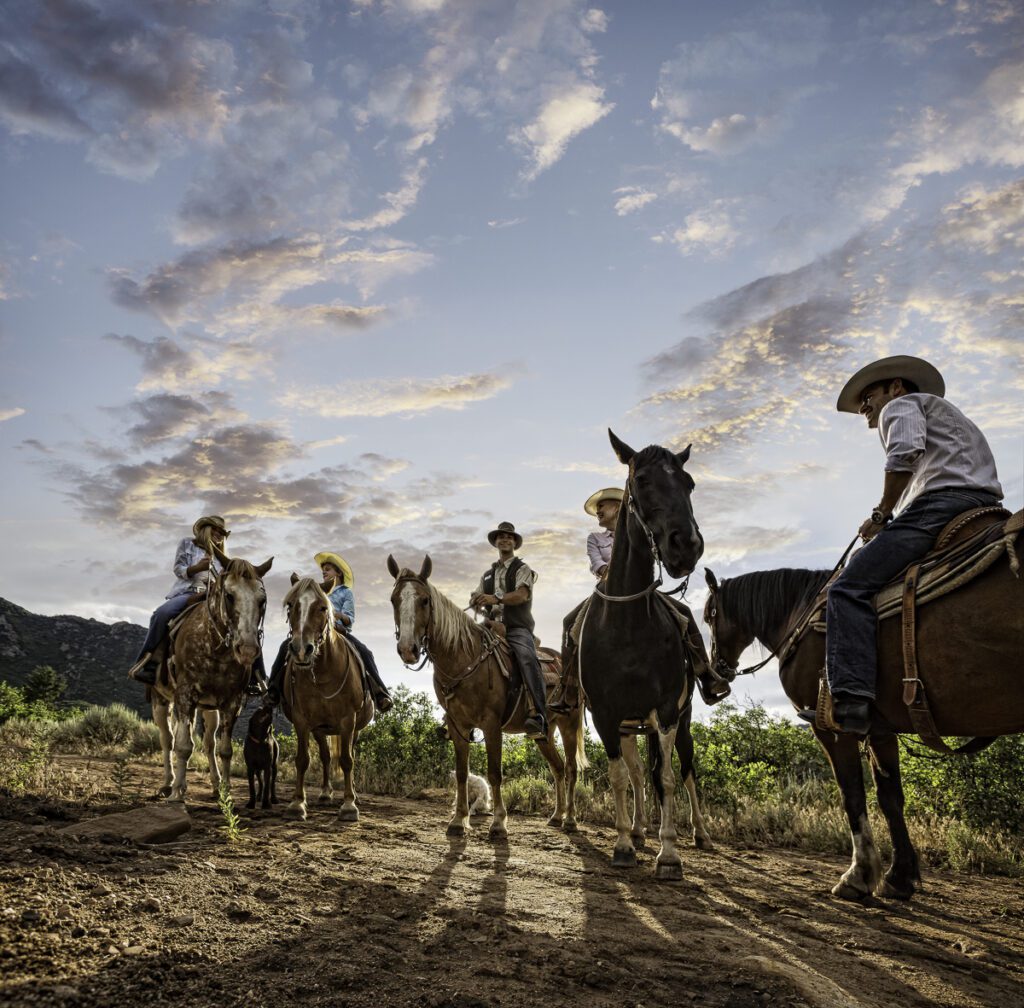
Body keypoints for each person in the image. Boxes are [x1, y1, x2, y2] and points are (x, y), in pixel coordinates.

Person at [816, 355, 1004, 734]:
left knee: (847, 589)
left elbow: (904, 453)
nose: (864, 408)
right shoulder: (951, 417)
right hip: (982, 504)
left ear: (896, 387)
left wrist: (883, 514)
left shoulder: (901, 407)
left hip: (938, 506)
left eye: (868, 396)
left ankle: (851, 700)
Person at [266, 551, 393, 714]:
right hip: (316, 632)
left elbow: (349, 618)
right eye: (323, 570)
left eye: (328, 569)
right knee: (285, 647)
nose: (324, 572)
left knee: (365, 652)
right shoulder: (318, 591)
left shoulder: (346, 592)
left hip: (339, 631)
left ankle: (380, 693)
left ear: (338, 573)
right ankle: (273, 690)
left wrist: (333, 614)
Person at [469, 522, 548, 740]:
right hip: (491, 625)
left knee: (527, 658)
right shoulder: (487, 575)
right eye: (500, 537)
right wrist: (476, 601)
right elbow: (475, 596)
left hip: (516, 627)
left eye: (509, 537)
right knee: (463, 648)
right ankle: (458, 714)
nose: (504, 540)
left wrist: (495, 598)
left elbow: (522, 595)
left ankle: (537, 714)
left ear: (514, 543)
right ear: (496, 542)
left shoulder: (522, 569)